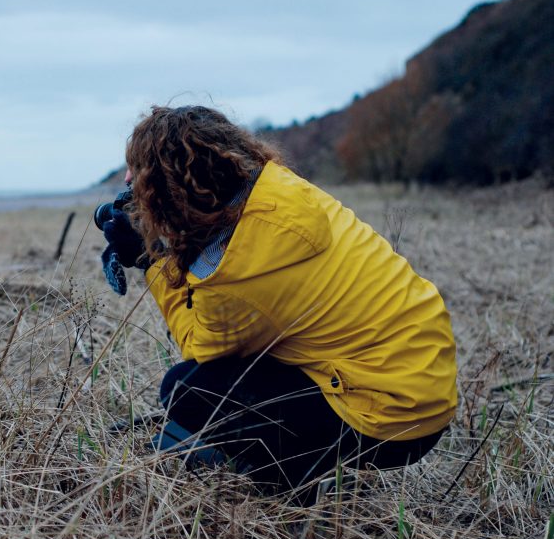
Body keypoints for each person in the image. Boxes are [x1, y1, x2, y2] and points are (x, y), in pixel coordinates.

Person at [100, 105, 457, 503]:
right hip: (423, 380)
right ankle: (297, 458)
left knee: (188, 390)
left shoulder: (238, 270)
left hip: (391, 418)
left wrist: (150, 260)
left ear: (168, 194)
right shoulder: (278, 189)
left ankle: (290, 488)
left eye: (141, 182)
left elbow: (199, 347)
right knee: (244, 377)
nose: (132, 188)